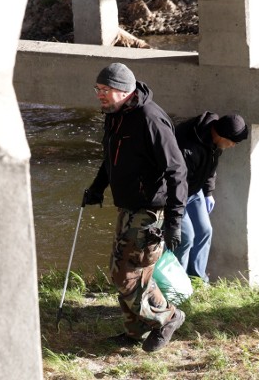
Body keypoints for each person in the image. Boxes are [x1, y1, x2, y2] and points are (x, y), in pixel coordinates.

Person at [81, 62, 188, 352]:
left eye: (106, 90)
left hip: (149, 211)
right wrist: (97, 187)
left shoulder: (150, 119)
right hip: (127, 207)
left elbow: (177, 170)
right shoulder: (114, 115)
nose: (100, 95)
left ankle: (168, 317)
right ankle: (134, 331)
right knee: (122, 270)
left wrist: (174, 220)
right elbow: (110, 157)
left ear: (125, 91)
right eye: (98, 89)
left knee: (128, 275)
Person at [173, 112, 249, 283]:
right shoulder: (188, 147)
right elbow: (175, 182)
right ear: (222, 135)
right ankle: (177, 283)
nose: (233, 146)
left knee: (205, 231)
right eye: (233, 142)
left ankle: (197, 278)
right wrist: (177, 209)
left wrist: (208, 193)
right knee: (185, 238)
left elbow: (210, 167)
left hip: (195, 190)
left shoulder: (216, 142)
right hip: (176, 195)